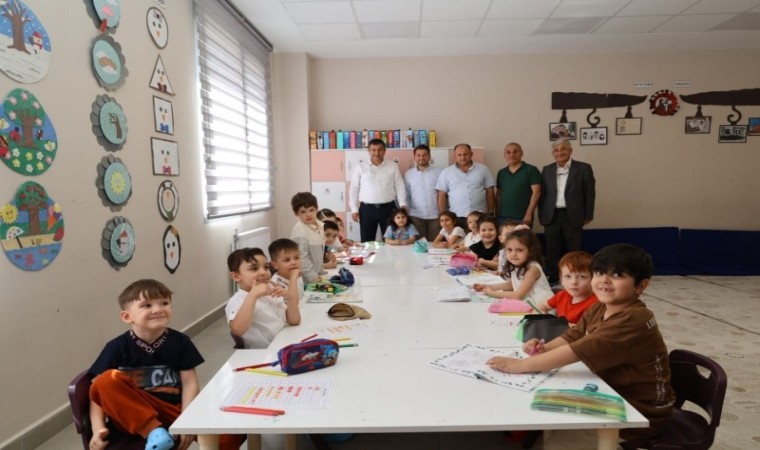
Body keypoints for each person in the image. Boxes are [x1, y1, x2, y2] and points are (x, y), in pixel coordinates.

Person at [486, 244, 675, 442]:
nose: (604, 281)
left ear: (641, 285)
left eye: (617, 275)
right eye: (599, 272)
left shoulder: (633, 319)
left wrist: (521, 365)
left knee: (557, 433)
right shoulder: (599, 307)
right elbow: (573, 336)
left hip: (638, 412)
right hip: (611, 390)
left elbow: (577, 350)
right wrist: (544, 348)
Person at [88, 279, 242, 450]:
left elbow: (190, 383)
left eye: (164, 303)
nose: (158, 309)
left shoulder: (180, 341)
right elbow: (98, 393)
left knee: (228, 434)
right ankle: (153, 431)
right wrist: (98, 429)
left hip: (170, 409)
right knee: (105, 380)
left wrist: (186, 420)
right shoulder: (117, 347)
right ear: (127, 316)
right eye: (147, 305)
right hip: (132, 412)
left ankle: (159, 433)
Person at [539, 139, 596, 285]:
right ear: (553, 153)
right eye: (556, 150)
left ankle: (575, 275)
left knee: (574, 248)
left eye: (563, 149)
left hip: (574, 215)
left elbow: (589, 193)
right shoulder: (547, 169)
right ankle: (554, 275)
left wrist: (588, 215)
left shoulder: (583, 168)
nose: (560, 153)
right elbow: (543, 195)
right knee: (552, 248)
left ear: (570, 151)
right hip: (552, 215)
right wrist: (542, 215)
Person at [226, 246, 301, 349]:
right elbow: (238, 330)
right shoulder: (237, 300)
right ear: (236, 276)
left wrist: (290, 298)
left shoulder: (271, 290)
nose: (263, 272)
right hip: (267, 352)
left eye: (266, 267)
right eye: (254, 268)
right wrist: (252, 295)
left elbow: (294, 321)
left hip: (285, 342)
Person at [473, 229, 553, 305]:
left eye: (519, 250)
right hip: (530, 304)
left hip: (543, 308)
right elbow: (510, 284)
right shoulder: (516, 265)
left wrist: (492, 293)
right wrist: (487, 286)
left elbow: (518, 295)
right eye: (510, 250)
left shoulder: (532, 269)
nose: (513, 254)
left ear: (531, 251)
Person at [349, 138, 407, 242]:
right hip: (367, 210)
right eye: (373, 150)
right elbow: (354, 188)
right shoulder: (360, 167)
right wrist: (354, 209)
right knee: (367, 241)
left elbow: (400, 185)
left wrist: (402, 203)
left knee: (391, 241)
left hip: (389, 209)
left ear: (384, 150)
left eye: (380, 149)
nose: (377, 153)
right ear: (369, 151)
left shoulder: (393, 166)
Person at [435, 143, 496, 229]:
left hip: (480, 216)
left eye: (465, 154)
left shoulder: (483, 169)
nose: (463, 157)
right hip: (456, 216)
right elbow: (441, 194)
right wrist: (443, 215)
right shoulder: (446, 172)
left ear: (471, 154)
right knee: (458, 237)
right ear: (454, 156)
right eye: (459, 155)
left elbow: (490, 191)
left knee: (480, 237)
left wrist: (490, 211)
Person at [536, 251, 598, 325]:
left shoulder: (596, 304)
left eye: (582, 277)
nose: (573, 282)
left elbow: (592, 329)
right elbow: (544, 306)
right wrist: (540, 312)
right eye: (568, 276)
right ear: (561, 279)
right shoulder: (562, 295)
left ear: (593, 279)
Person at [495, 142, 542, 226]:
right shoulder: (501, 173)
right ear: (504, 155)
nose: (512, 155)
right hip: (503, 217)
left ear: (522, 153)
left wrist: (529, 214)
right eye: (508, 152)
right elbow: (498, 194)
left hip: (522, 217)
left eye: (515, 152)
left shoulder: (531, 170)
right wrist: (497, 213)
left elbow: (537, 193)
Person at [404, 144, 443, 241]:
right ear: (414, 157)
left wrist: (443, 212)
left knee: (435, 244)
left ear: (429, 156)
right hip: (415, 215)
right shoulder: (409, 174)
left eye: (424, 155)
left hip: (435, 215)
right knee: (419, 245)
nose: (421, 157)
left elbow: (443, 194)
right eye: (418, 155)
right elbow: (407, 195)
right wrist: (406, 213)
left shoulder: (439, 172)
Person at [290, 191, 326, 283]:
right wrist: (313, 277)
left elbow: (318, 254)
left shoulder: (319, 225)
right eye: (303, 211)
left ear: (317, 209)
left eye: (311, 210)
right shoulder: (300, 229)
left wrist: (320, 271)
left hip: (316, 275)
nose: (308, 214)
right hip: (306, 280)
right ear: (296, 213)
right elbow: (302, 258)